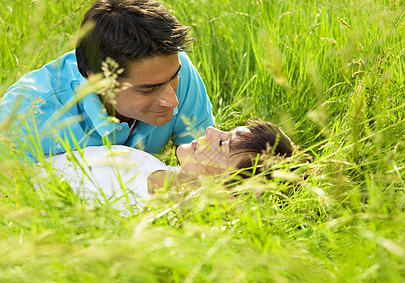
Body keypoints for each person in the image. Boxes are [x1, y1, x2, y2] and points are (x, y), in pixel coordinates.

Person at [1, 0, 214, 159]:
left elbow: (207, 163)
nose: (172, 100)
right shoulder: (25, 115)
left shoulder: (173, 68)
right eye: (148, 90)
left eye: (174, 77)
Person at [47, 120, 299, 211]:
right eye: (226, 132)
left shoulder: (142, 221)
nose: (210, 131)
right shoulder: (141, 160)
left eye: (222, 145)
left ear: (229, 193)